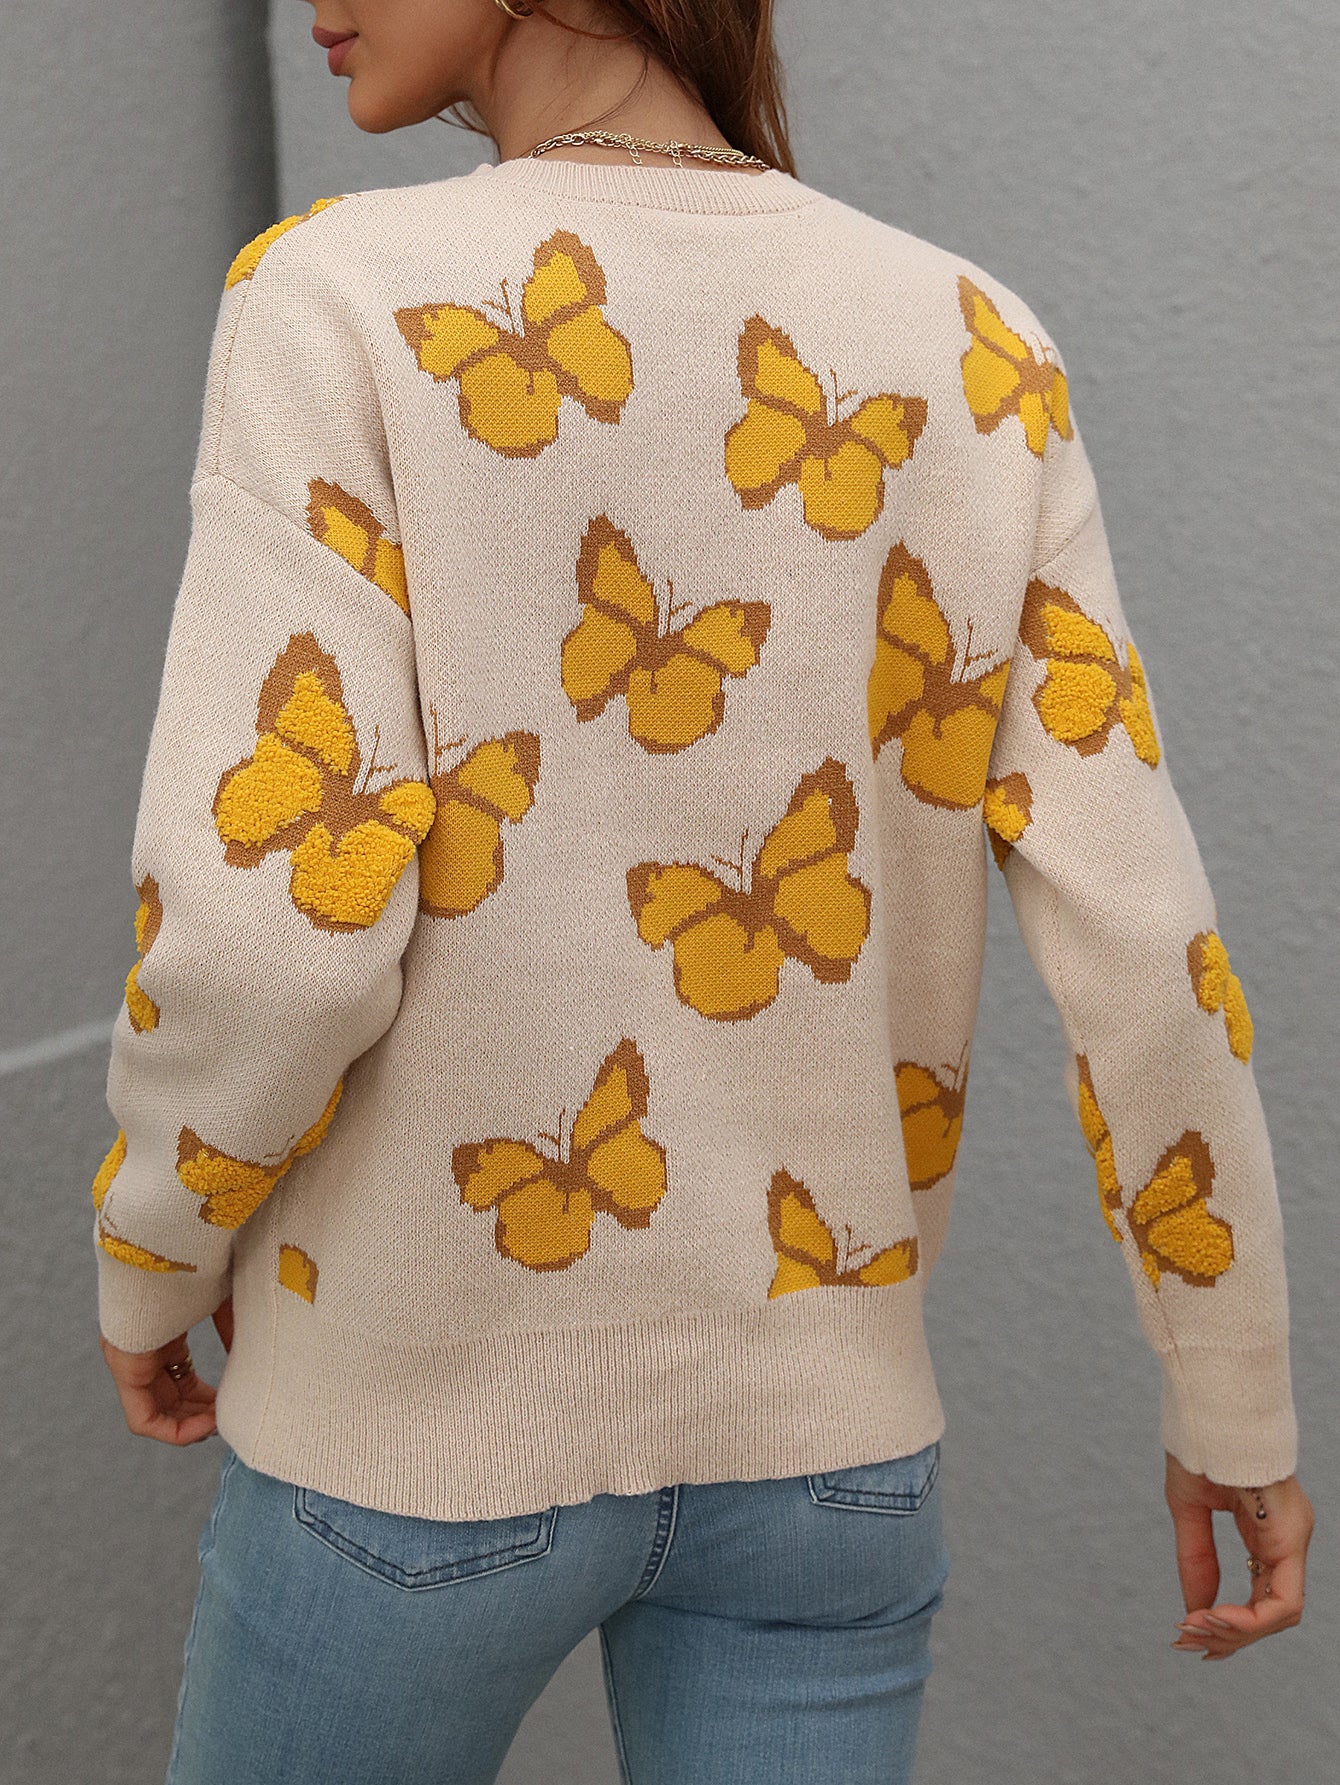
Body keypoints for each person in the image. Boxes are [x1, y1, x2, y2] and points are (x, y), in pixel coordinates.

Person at [92, 3, 1313, 1781]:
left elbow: (272, 923)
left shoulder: (333, 299)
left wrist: (154, 1251)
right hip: (828, 1458)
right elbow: (1141, 930)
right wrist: (1231, 1384)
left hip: (404, 1438)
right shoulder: (972, 341)